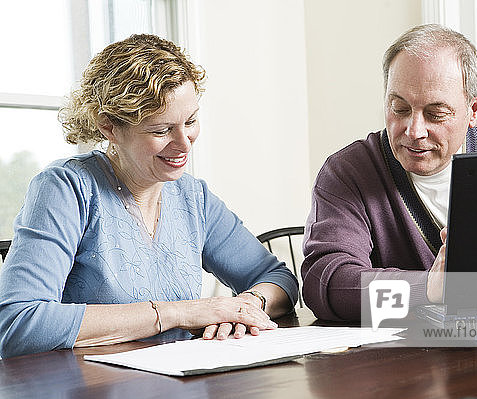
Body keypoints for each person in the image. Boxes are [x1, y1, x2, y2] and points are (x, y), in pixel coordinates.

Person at [0, 34, 298, 358]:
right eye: (161, 130)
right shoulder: (66, 189)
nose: (185, 143)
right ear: (110, 127)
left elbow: (278, 279)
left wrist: (245, 307)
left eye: (191, 121)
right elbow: (19, 322)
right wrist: (180, 313)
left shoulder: (192, 197)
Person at [301, 24, 477, 321]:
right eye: (399, 108)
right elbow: (328, 286)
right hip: (399, 362)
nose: (414, 131)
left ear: (474, 108)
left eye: (436, 114)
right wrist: (429, 289)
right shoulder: (348, 173)